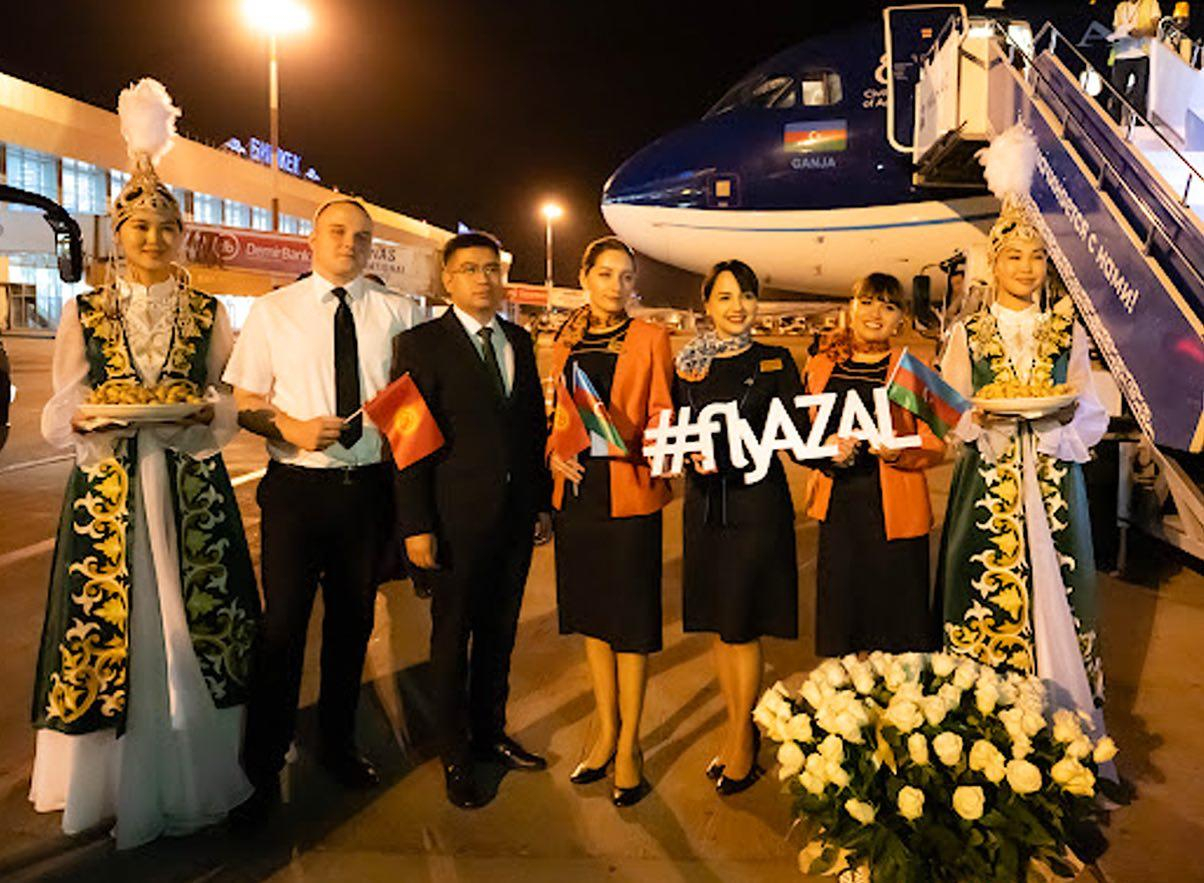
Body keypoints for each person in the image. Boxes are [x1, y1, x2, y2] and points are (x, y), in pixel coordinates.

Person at [29, 79, 260, 848]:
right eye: (140, 227)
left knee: (196, 619)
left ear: (183, 236)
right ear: (118, 234)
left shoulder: (209, 312)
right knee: (109, 622)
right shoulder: (84, 310)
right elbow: (62, 404)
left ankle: (195, 762)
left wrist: (203, 414)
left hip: (189, 481)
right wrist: (87, 415)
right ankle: (104, 781)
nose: (154, 238)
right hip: (109, 483)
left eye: (166, 227)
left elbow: (224, 396)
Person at [225, 197, 420, 817]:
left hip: (366, 492)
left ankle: (337, 744)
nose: (349, 244)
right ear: (310, 240)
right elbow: (245, 400)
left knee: (351, 626)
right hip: (297, 492)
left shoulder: (398, 312)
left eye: (361, 237)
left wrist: (403, 452)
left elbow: (410, 401)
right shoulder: (273, 311)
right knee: (282, 629)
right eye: (337, 232)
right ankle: (261, 768)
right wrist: (289, 427)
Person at [391, 231, 552, 810]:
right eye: (470, 269)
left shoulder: (518, 340)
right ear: (447, 280)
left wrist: (540, 503)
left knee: (500, 634)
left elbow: (530, 428)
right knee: (451, 637)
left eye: (491, 269)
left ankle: (490, 734)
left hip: (513, 517)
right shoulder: (419, 344)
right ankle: (454, 752)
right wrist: (416, 523)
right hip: (452, 520)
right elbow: (406, 440)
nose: (483, 279)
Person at [938, 200, 1110, 729]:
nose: (1026, 268)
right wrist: (979, 420)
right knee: (984, 592)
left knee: (1061, 589)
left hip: (1054, 475)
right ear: (994, 262)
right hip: (988, 480)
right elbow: (948, 406)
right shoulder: (969, 333)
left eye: (1037, 257)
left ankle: (1066, 721)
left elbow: (1090, 408)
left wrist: (1061, 421)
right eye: (1014, 256)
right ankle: (986, 729)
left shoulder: (1067, 331)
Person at [548, 237, 673, 807]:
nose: (616, 286)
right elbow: (559, 412)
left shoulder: (650, 338)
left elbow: (663, 412)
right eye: (605, 274)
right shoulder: (566, 338)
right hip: (578, 495)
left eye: (626, 277)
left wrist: (639, 443)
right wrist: (553, 452)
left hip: (629, 490)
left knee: (630, 625)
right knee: (594, 620)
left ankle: (629, 745)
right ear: (584, 277)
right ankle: (604, 730)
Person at [672, 260, 805, 795]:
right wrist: (687, 456)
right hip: (705, 506)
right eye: (725, 296)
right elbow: (676, 427)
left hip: (755, 505)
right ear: (707, 304)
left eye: (746, 295)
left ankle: (744, 743)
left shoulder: (775, 360)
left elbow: (798, 433)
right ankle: (734, 731)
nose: (737, 306)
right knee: (720, 625)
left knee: (742, 626)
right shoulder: (688, 364)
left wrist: (836, 450)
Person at [804, 273, 945, 658]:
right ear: (851, 308)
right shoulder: (821, 365)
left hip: (894, 509)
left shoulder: (913, 368)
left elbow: (937, 443)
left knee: (896, 627)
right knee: (844, 620)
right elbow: (805, 431)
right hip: (838, 508)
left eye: (888, 306)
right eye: (866, 302)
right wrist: (823, 449)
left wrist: (898, 453)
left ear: (901, 318)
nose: (875, 314)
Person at [1108, 0, 1163, 121]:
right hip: (1122, 54)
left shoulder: (1151, 3)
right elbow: (1115, 27)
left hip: (1142, 54)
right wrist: (1121, 33)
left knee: (1140, 95)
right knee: (1116, 94)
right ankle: (1113, 124)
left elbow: (1155, 28)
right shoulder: (1121, 6)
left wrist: (1140, 32)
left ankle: (1139, 124)